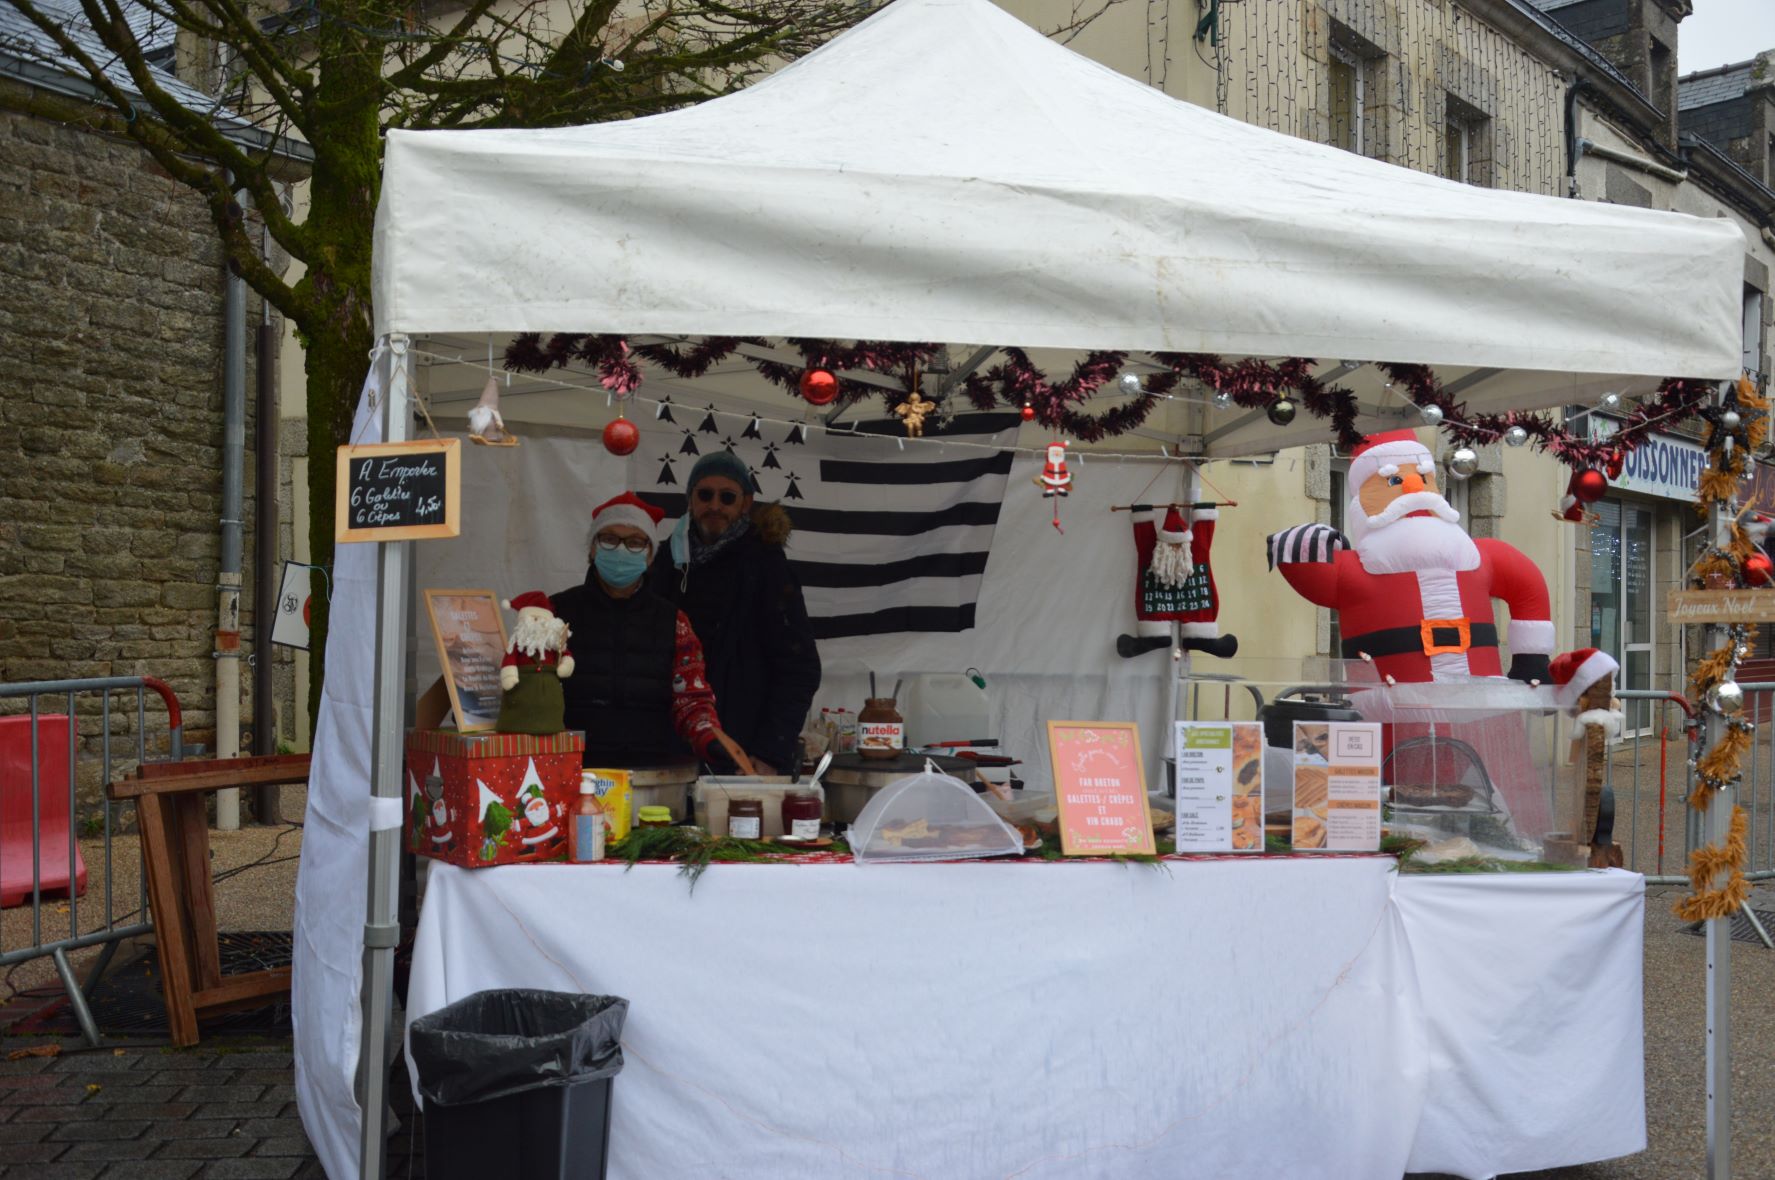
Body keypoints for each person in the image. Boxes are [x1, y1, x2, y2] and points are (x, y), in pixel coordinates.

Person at [649, 451, 822, 775]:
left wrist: (770, 752)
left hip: (744, 757)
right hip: (670, 754)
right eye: (705, 494)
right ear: (690, 500)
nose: (715, 505)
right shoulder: (663, 563)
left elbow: (799, 668)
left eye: (727, 497)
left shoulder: (768, 568)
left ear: (745, 503)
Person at [552, 492, 734, 768]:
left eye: (636, 542)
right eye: (609, 539)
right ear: (592, 549)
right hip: (569, 773)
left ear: (650, 555)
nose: (622, 550)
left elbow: (691, 699)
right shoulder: (554, 614)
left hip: (650, 775)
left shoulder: (675, 621)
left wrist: (709, 737)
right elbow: (532, 692)